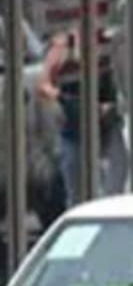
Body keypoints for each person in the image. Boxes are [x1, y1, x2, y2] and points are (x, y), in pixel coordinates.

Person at [37, 27, 128, 207]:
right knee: (76, 189)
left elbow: (118, 76)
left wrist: (113, 103)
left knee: (118, 169)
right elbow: (43, 84)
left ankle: (108, 211)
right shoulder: (62, 49)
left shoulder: (105, 44)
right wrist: (65, 99)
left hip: (106, 124)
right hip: (74, 126)